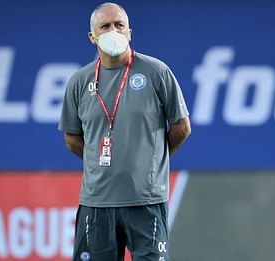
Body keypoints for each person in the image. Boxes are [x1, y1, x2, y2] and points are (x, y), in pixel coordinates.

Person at [58, 2, 191, 261]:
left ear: (130, 32)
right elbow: (73, 139)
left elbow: (181, 127)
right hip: (97, 202)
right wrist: (101, 163)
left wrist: (153, 160)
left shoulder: (156, 72)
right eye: (105, 26)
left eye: (119, 25)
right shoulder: (79, 81)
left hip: (146, 201)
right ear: (92, 37)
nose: (113, 31)